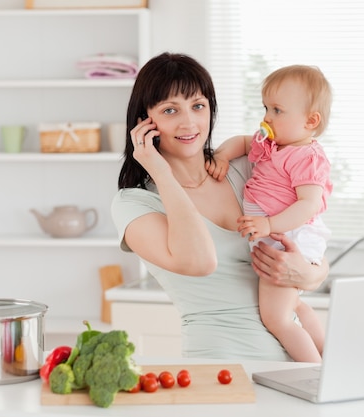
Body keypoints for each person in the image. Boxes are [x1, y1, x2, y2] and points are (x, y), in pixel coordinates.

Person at [111, 52, 328, 361]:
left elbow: (311, 243)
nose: (189, 122)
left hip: (294, 368)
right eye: (170, 110)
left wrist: (308, 275)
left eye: (198, 106)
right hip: (222, 367)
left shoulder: (248, 169)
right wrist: (160, 172)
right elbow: (200, 262)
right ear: (144, 123)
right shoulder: (134, 203)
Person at [205, 65, 333, 362]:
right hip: (276, 235)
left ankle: (315, 375)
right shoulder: (273, 145)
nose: (267, 117)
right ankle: (327, 356)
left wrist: (269, 223)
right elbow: (243, 141)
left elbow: (308, 205)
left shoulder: (307, 156)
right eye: (266, 107)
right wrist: (222, 155)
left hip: (288, 237)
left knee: (278, 320)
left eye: (277, 110)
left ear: (310, 120)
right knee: (296, 307)